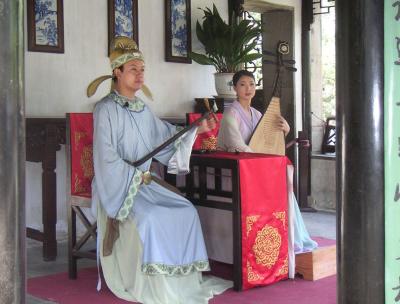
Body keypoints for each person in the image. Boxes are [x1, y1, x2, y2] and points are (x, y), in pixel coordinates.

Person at [88, 36, 232, 303]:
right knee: (153, 216)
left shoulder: (143, 109)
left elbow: (164, 138)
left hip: (145, 183)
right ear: (117, 72)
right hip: (119, 186)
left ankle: (181, 281)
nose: (140, 75)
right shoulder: (104, 110)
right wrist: (132, 179)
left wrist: (195, 130)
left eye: (142, 69)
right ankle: (152, 285)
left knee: (186, 210)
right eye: (133, 69)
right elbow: (105, 157)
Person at [217, 70, 318, 277]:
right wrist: (264, 161)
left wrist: (286, 129)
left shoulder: (257, 114)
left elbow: (270, 140)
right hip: (237, 168)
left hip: (256, 166)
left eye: (252, 84)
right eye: (243, 84)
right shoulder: (230, 114)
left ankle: (288, 239)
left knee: (284, 188)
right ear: (235, 88)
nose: (248, 89)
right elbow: (237, 145)